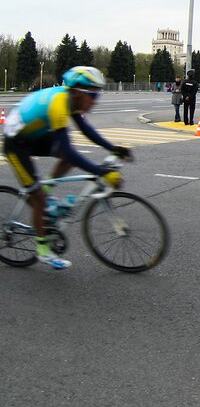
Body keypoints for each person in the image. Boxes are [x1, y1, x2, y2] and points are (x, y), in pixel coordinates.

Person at [2, 66, 132, 270]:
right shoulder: (58, 103)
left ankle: (46, 193)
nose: (95, 101)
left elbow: (85, 129)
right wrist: (101, 172)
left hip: (33, 136)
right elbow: (69, 150)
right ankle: (43, 250)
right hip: (15, 144)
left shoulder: (72, 99)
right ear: (79, 91)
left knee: (65, 160)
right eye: (93, 96)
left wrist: (113, 147)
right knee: (38, 199)